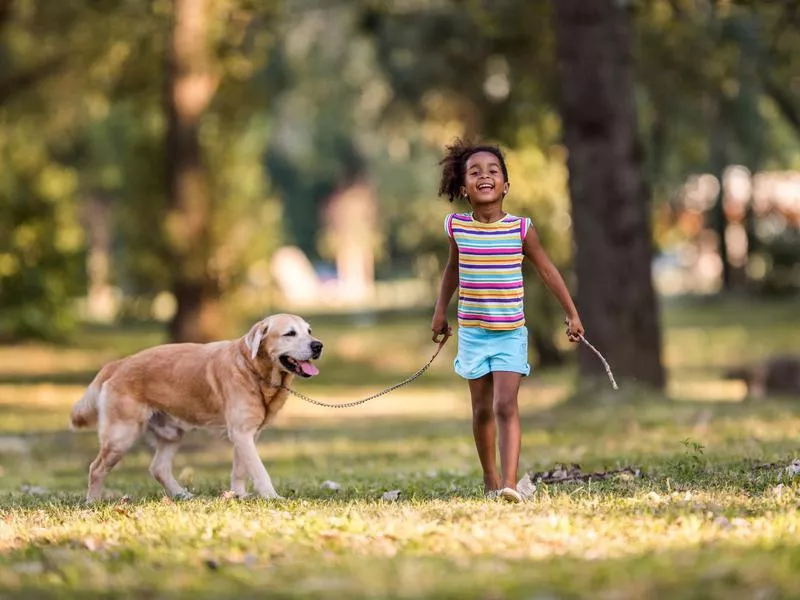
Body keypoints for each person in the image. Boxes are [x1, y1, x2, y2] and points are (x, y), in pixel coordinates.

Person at [430, 139, 585, 503]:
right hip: (472, 332)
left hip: (510, 332)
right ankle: (490, 478)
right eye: (475, 172)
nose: (485, 176)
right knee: (482, 409)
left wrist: (572, 312)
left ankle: (510, 485)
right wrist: (440, 311)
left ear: (506, 186)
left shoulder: (520, 229)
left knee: (505, 404)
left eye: (493, 171)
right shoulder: (457, 228)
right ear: (464, 187)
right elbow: (453, 270)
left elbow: (547, 271)